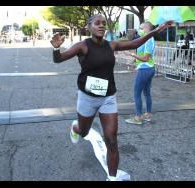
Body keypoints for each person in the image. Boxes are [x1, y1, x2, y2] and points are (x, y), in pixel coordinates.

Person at [50, 14, 172, 181]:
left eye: (103, 24)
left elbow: (135, 43)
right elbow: (59, 59)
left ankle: (112, 178)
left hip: (108, 97)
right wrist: (56, 49)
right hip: (87, 98)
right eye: (97, 23)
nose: (101, 26)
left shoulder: (111, 45)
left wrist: (156, 30)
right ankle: (76, 128)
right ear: (89, 26)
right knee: (85, 132)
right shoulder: (82, 46)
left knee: (111, 139)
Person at [125, 22, 157, 125]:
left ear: (147, 28)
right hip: (147, 68)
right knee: (146, 92)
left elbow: (145, 58)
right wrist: (133, 62)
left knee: (137, 93)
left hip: (145, 70)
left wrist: (132, 55)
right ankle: (147, 114)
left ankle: (138, 117)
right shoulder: (144, 39)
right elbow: (141, 55)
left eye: (141, 28)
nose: (139, 29)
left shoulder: (149, 40)